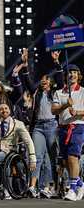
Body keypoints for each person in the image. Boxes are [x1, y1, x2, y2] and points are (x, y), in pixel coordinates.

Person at [21, 48, 64, 198]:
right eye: (42, 79)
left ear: (50, 82)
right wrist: (25, 64)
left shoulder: (55, 92)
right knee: (37, 157)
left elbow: (60, 81)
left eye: (46, 79)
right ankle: (32, 186)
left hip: (52, 126)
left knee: (52, 158)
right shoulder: (37, 92)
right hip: (38, 127)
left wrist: (57, 62)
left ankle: (51, 186)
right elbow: (28, 82)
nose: (43, 80)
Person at [0, 94, 36, 191]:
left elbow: (28, 141)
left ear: (10, 111)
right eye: (1, 109)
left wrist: (32, 157)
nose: (4, 110)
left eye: (6, 108)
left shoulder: (18, 124)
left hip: (9, 151)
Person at [52, 64, 84, 201]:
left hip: (77, 126)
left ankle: (72, 189)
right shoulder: (59, 92)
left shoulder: (83, 91)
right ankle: (80, 184)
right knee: (65, 161)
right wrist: (66, 104)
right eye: (69, 72)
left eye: (74, 72)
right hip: (63, 128)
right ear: (65, 76)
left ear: (78, 75)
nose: (71, 74)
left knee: (72, 157)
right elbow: (53, 110)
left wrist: (77, 112)